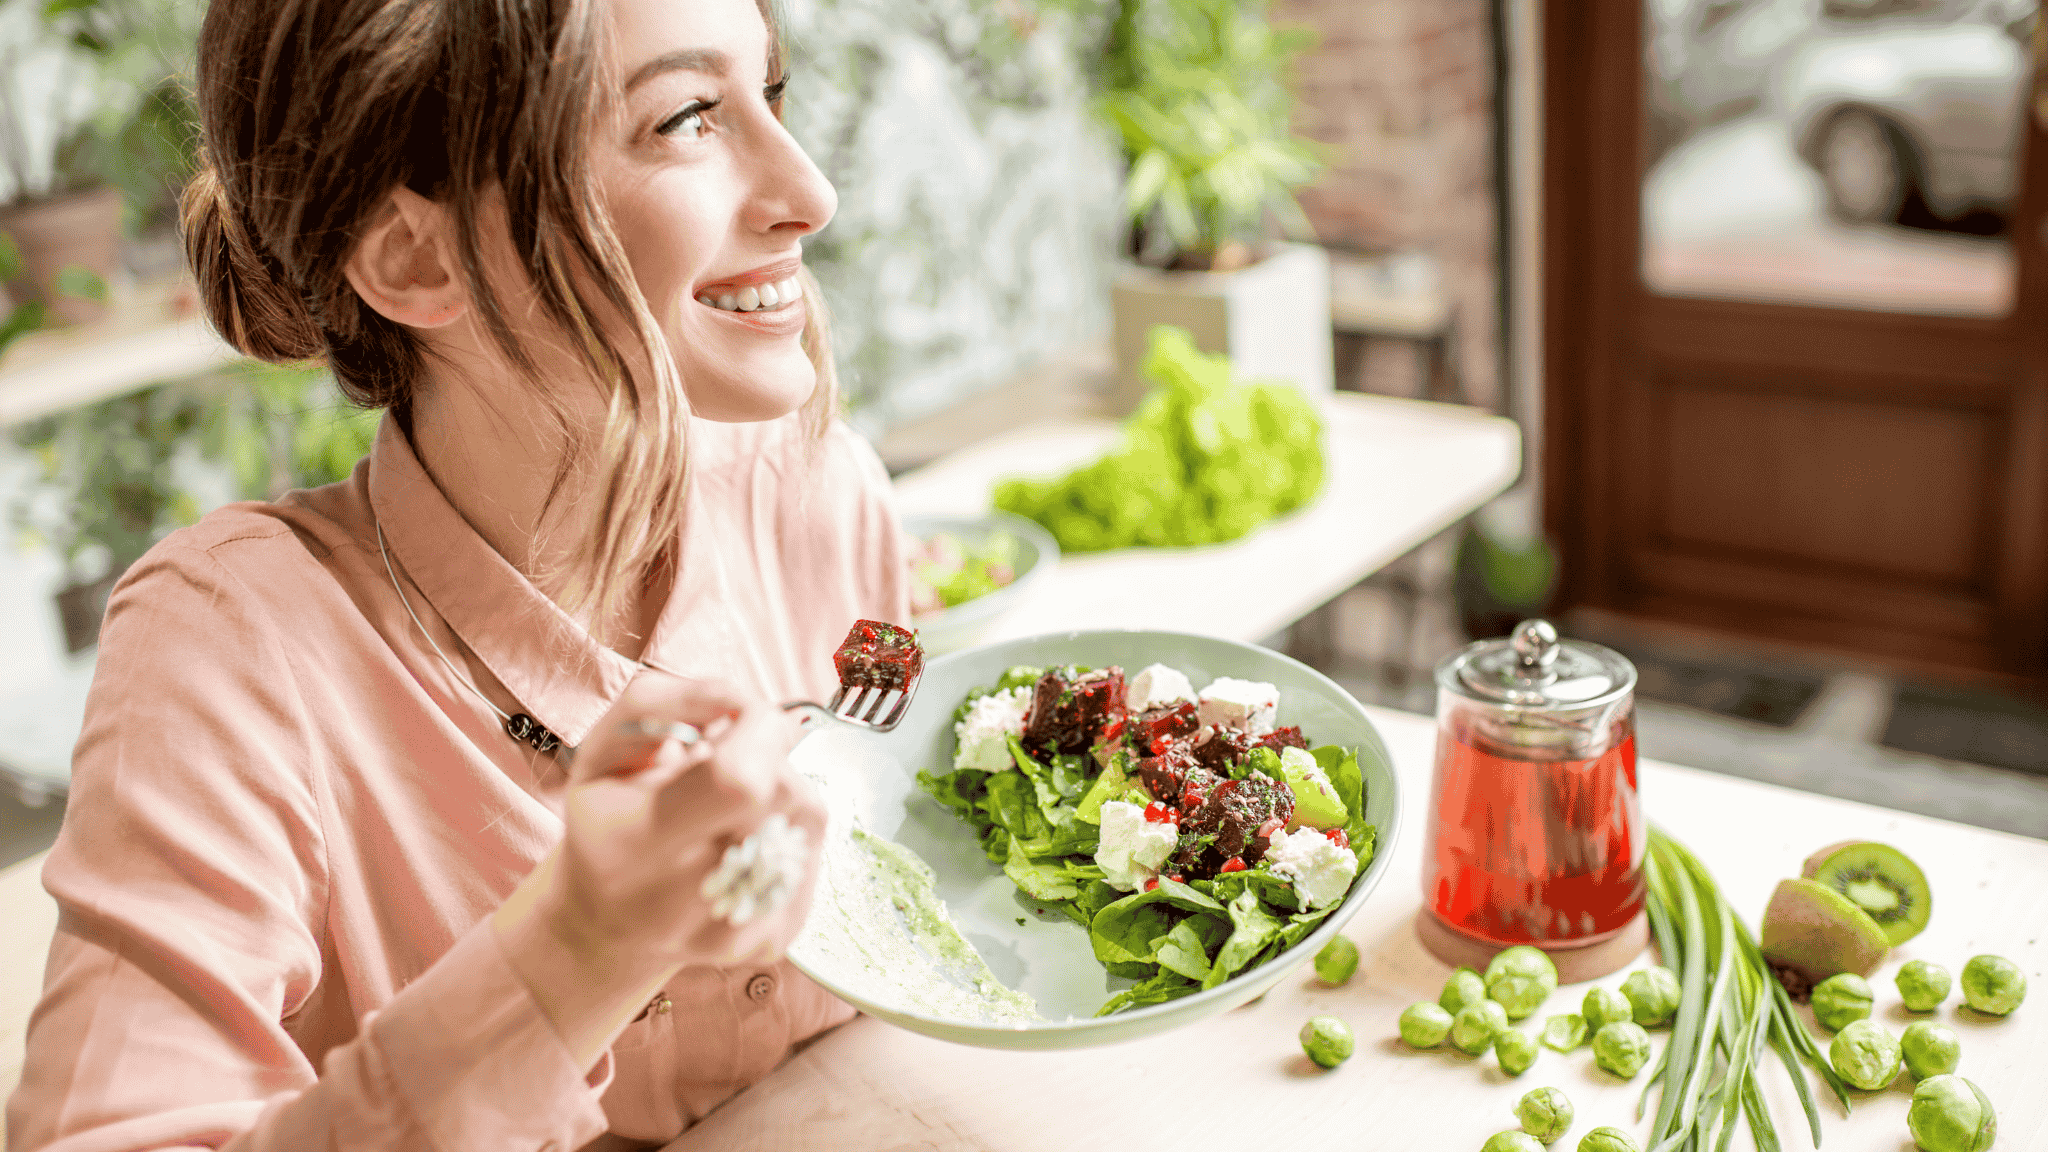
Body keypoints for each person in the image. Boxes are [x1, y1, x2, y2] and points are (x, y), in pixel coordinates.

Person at [3, 0, 910, 1145]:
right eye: (684, 117)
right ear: (416, 256)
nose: (810, 191)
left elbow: (903, 770)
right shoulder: (232, 648)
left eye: (766, 93)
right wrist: (576, 950)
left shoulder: (820, 487)